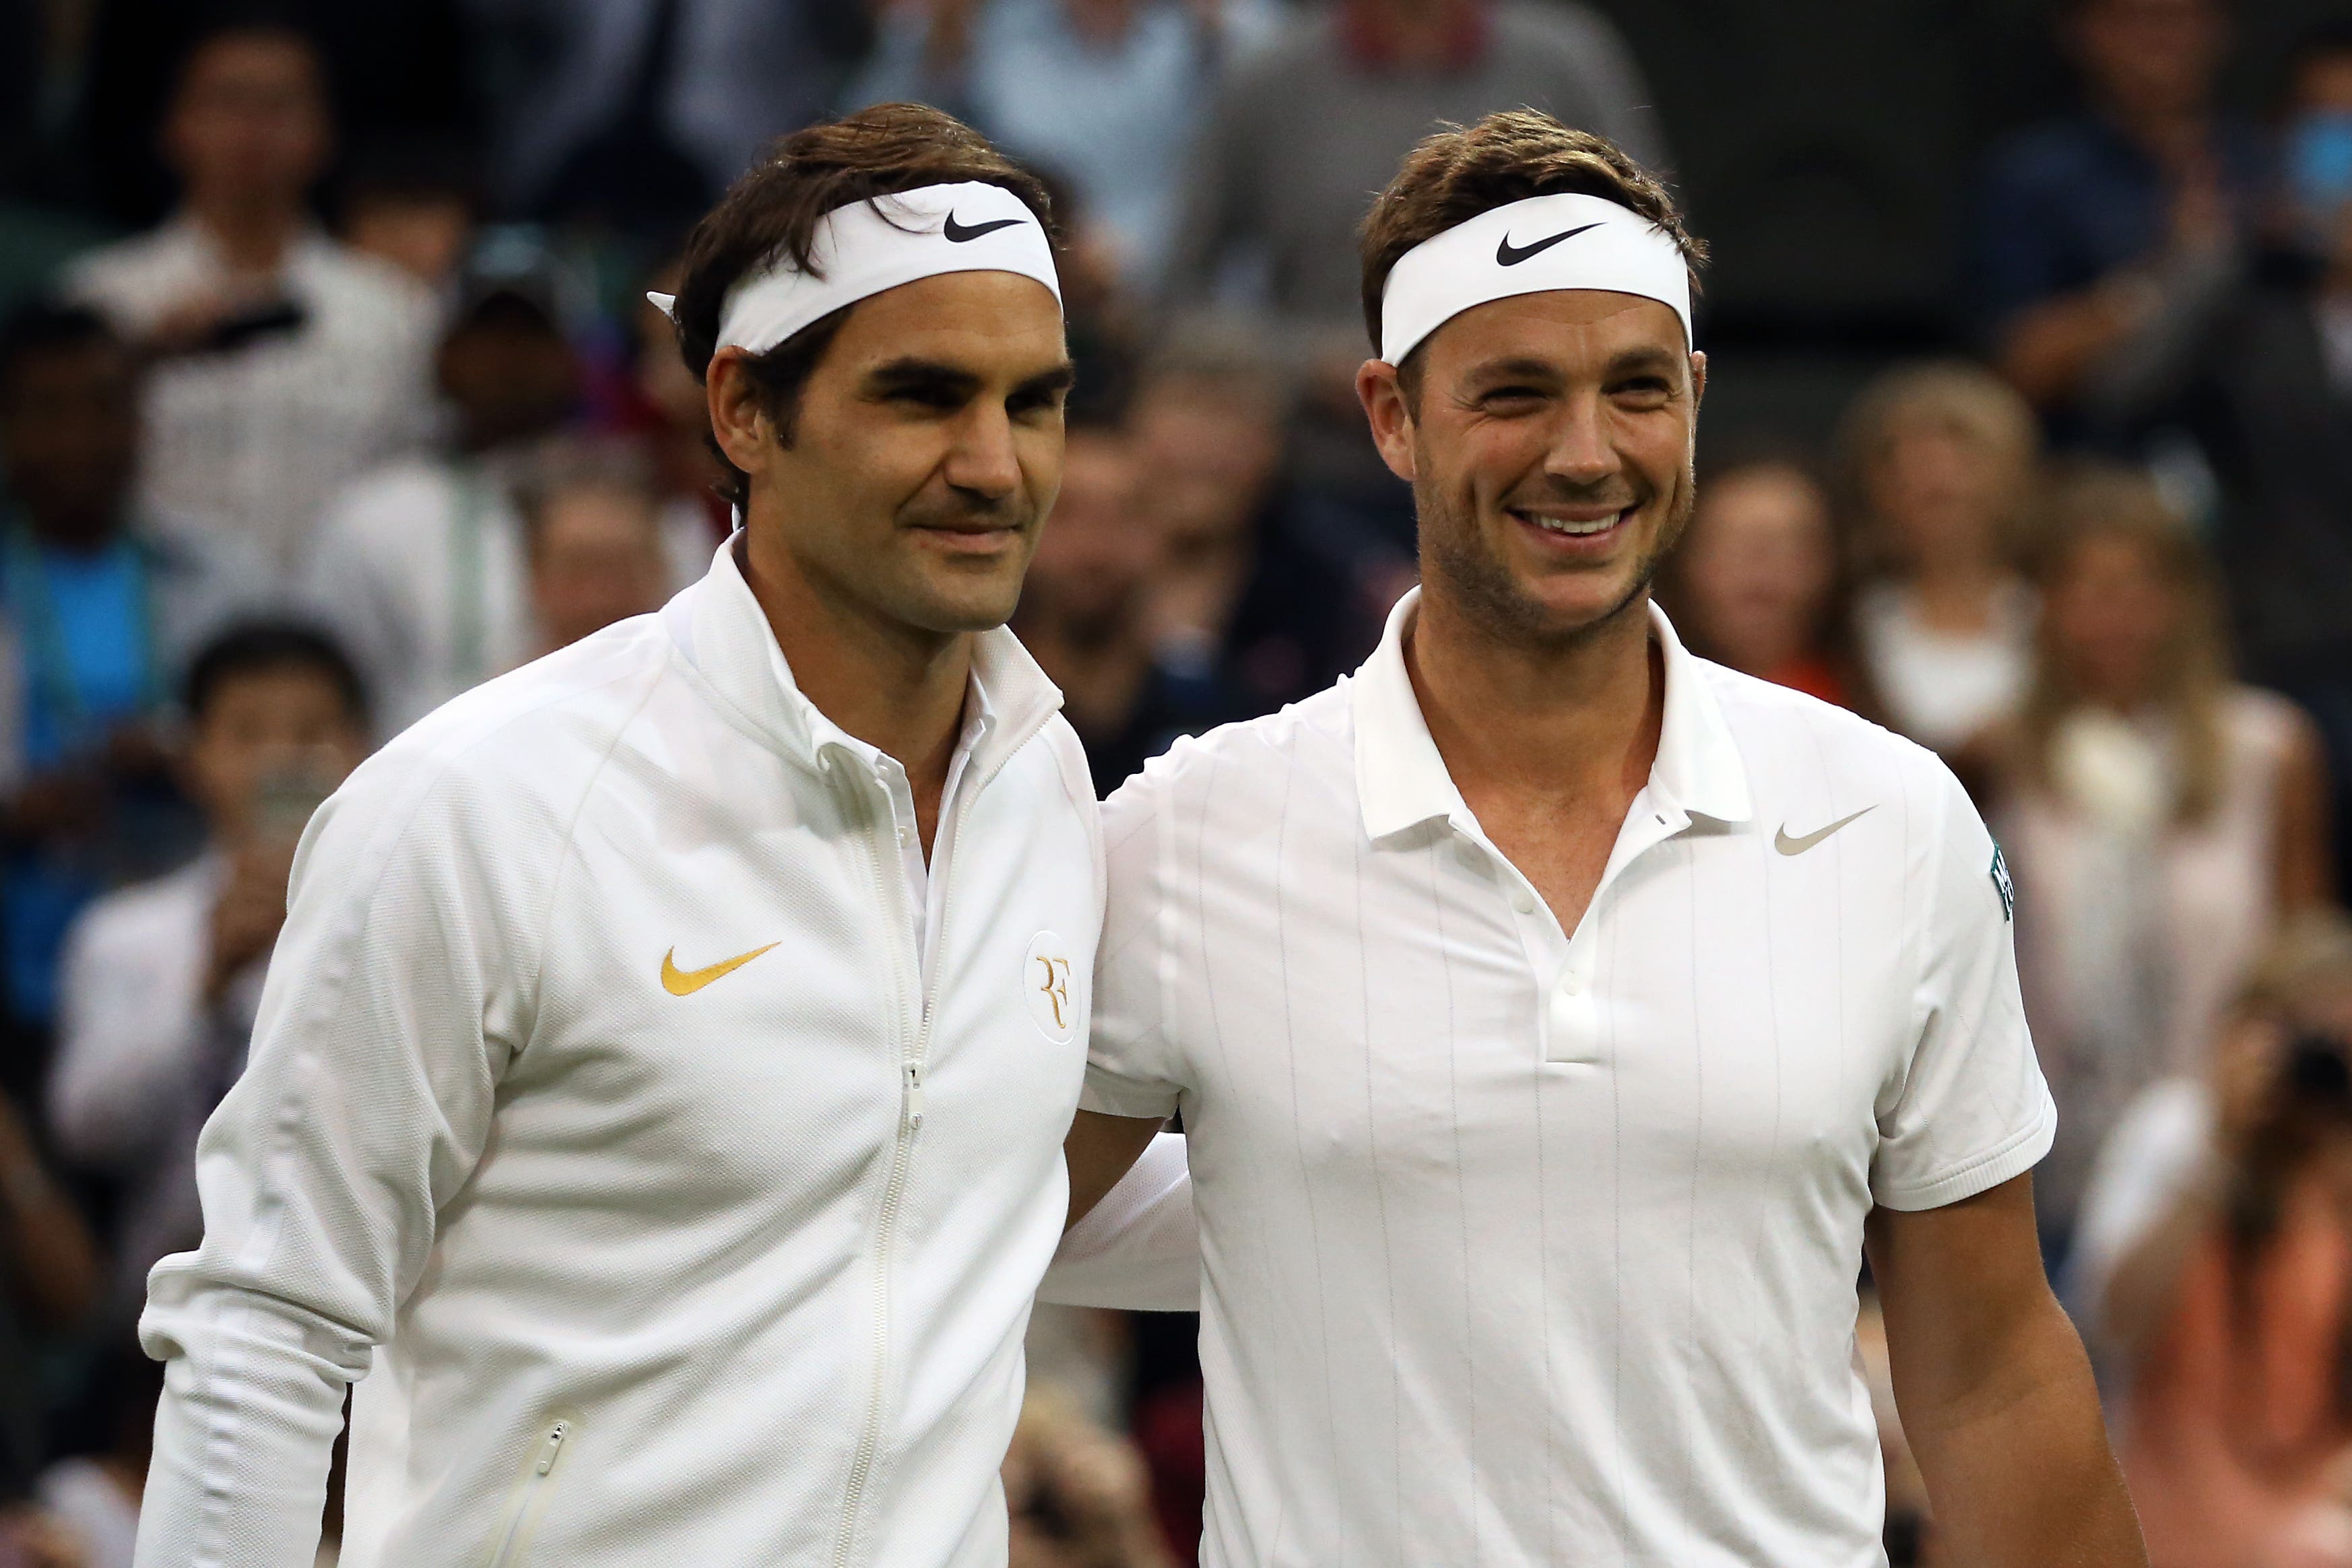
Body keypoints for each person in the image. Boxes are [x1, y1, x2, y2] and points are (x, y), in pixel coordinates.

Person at [1061, 110, 2146, 1563]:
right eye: (1514, 393)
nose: (1586, 455)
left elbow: (1995, 1371)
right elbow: (947, 1224)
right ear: (1390, 414)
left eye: (1636, 389)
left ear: (1695, 395)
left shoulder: (1889, 816)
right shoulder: (1187, 836)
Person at [128, 102, 1136, 1568]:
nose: (995, 465)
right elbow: (265, 1329)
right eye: (923, 396)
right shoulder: (481, 803)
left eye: (1032, 401)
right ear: (740, 409)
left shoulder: (1045, 789)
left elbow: (982, 1172)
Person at [1992, 465, 2334, 1249]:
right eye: (2086, 590)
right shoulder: (2001, 755)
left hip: (2221, 1152)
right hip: (2047, 1150)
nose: (2115, 617)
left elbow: (2303, 965)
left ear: (2185, 601)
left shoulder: (2269, 751)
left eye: (2139, 588)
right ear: (2043, 608)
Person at [2090, 19, 2352, 914]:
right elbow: (2122, 394)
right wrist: (2212, 257)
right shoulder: (2248, 301)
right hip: (2280, 665)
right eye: (2328, 135)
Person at [46, 622, 369, 1325]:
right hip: (172, 1306)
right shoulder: (124, 936)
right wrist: (208, 984)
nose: (282, 759)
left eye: (313, 731)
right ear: (195, 755)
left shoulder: (405, 921)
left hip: (371, 1306)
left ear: (365, 749)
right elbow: (88, 1133)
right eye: (248, 735)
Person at [0, 302, 271, 1073]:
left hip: (181, 958)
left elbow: (291, 757)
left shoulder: (223, 575)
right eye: (48, 411)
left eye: (106, 407)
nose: (79, 437)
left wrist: (185, 756)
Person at [63, 18, 436, 572]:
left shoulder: (394, 310)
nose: (253, 129)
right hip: (158, 608)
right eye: (228, 101)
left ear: (323, 135)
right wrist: (137, 358)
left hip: (338, 618)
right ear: (175, 126)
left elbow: (411, 494)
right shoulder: (103, 300)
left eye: (279, 105)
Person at [301, 245, 710, 737]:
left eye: (530, 338)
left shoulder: (653, 505)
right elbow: (329, 696)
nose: (507, 359)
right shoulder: (372, 518)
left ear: (573, 357)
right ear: (444, 356)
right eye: (487, 339)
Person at [2068, 913, 2352, 1568]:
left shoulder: (2336, 1177)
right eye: (2310, 1044)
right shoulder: (2176, 1131)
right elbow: (2106, 1323)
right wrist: (2220, 1152)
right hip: (2170, 1532)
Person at [848, 0, 1283, 289]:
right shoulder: (995, 27)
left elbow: (1290, 69)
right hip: (1009, 264)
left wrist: (1128, 260)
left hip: (1171, 286)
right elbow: (870, 133)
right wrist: (939, 43)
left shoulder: (1199, 34)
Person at [1973, 0, 2264, 416]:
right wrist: (2166, 277)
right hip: (2103, 455)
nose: (2160, 40)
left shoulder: (2270, 165)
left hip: (2268, 453)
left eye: (2181, 17)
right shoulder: (2033, 177)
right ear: (2080, 32)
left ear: (2221, 28)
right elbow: (2016, 369)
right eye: (2136, 18)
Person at [1013, 418, 1237, 797]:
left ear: (1167, 533)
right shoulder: (974, 724)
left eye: (1127, 515)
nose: (1095, 550)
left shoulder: (1223, 723)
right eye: (1065, 515)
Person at [1836, 360, 2041, 759]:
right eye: (1915, 476)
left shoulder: (2053, 614)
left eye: (1962, 467)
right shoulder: (1846, 623)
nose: (1939, 479)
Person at [1660, 450, 1879, 717]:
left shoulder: (1869, 716)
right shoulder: (1642, 710)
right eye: (1731, 542)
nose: (1761, 565)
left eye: (1791, 544)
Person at [515, 440, 678, 655]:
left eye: (621, 571)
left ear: (659, 567)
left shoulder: (716, 685)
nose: (600, 599)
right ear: (536, 574)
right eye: (579, 571)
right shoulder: (498, 689)